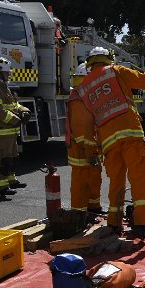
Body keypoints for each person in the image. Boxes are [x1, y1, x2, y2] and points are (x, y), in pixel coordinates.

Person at [76, 47, 145, 244]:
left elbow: (86, 125)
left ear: (90, 64)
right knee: (139, 178)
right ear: (108, 59)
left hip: (108, 142)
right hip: (130, 134)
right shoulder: (116, 71)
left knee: (116, 182)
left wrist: (91, 151)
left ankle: (114, 223)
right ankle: (142, 224)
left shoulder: (84, 87)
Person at [0, 57, 30, 195]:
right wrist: (16, 120)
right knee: (1, 158)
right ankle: (0, 187)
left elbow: (13, 104)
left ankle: (11, 180)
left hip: (7, 131)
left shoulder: (2, 86)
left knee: (12, 157)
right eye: (7, 73)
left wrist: (24, 110)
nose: (9, 75)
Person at [65, 62, 102, 218]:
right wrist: (91, 152)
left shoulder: (86, 95)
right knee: (81, 183)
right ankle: (79, 215)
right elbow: (82, 132)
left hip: (90, 149)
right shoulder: (79, 99)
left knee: (94, 179)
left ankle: (93, 208)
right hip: (82, 151)